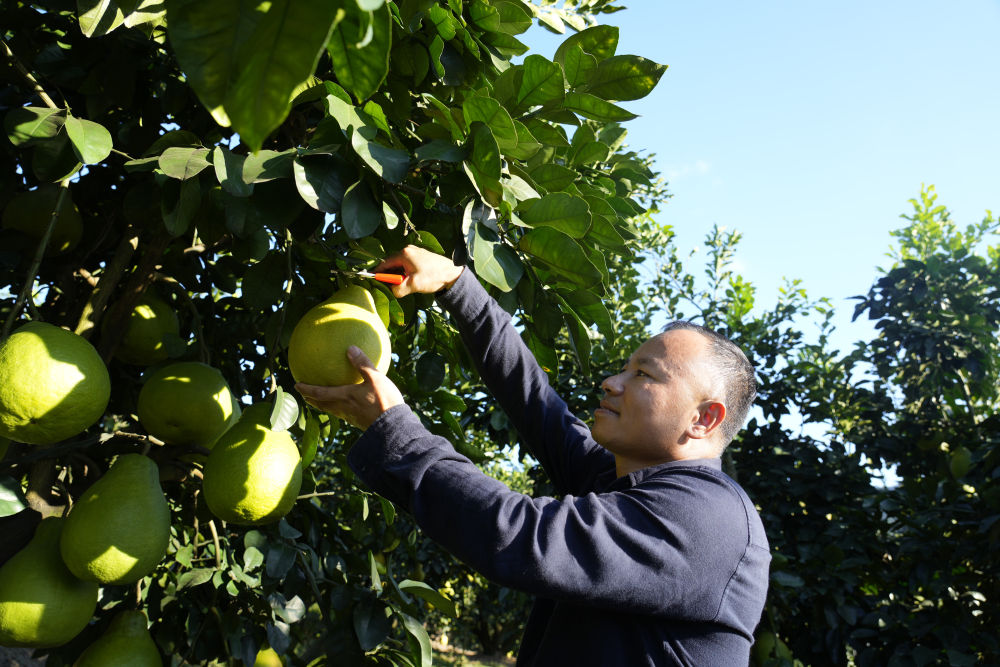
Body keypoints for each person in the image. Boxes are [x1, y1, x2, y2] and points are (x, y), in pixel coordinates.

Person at [296, 246, 770, 666]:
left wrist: (396, 430)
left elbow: (519, 535)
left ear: (704, 418)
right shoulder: (619, 483)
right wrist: (456, 285)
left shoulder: (709, 518)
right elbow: (535, 403)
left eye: (643, 374)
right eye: (623, 368)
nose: (611, 382)